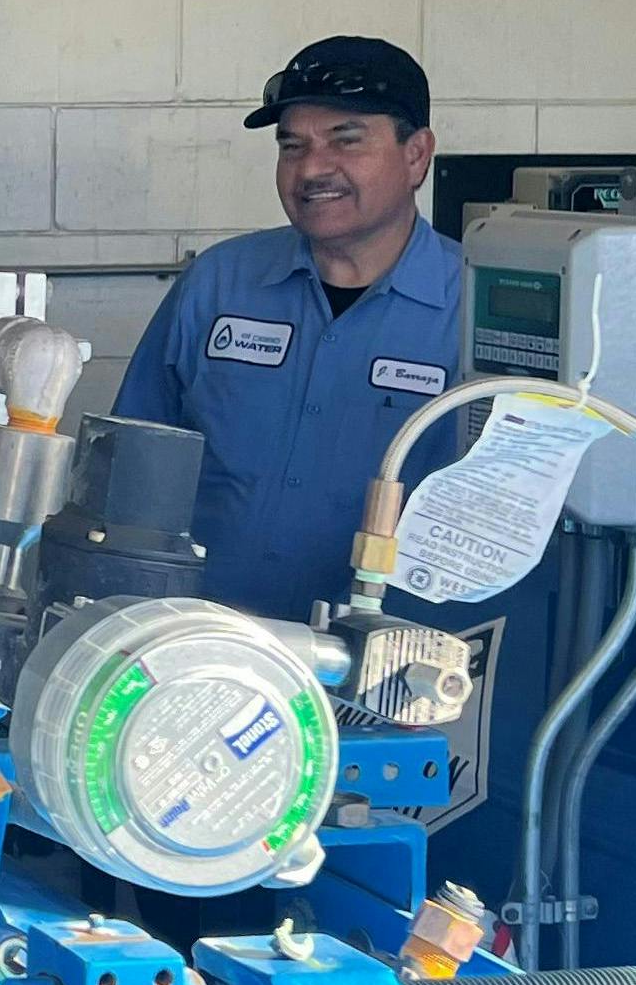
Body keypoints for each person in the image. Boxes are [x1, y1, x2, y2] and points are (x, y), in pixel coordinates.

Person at [114, 36, 460, 624]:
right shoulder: (219, 282)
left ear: (417, 156)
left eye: (345, 141)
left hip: (395, 665)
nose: (312, 169)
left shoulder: (470, 307)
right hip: (208, 654)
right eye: (292, 146)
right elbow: (131, 464)